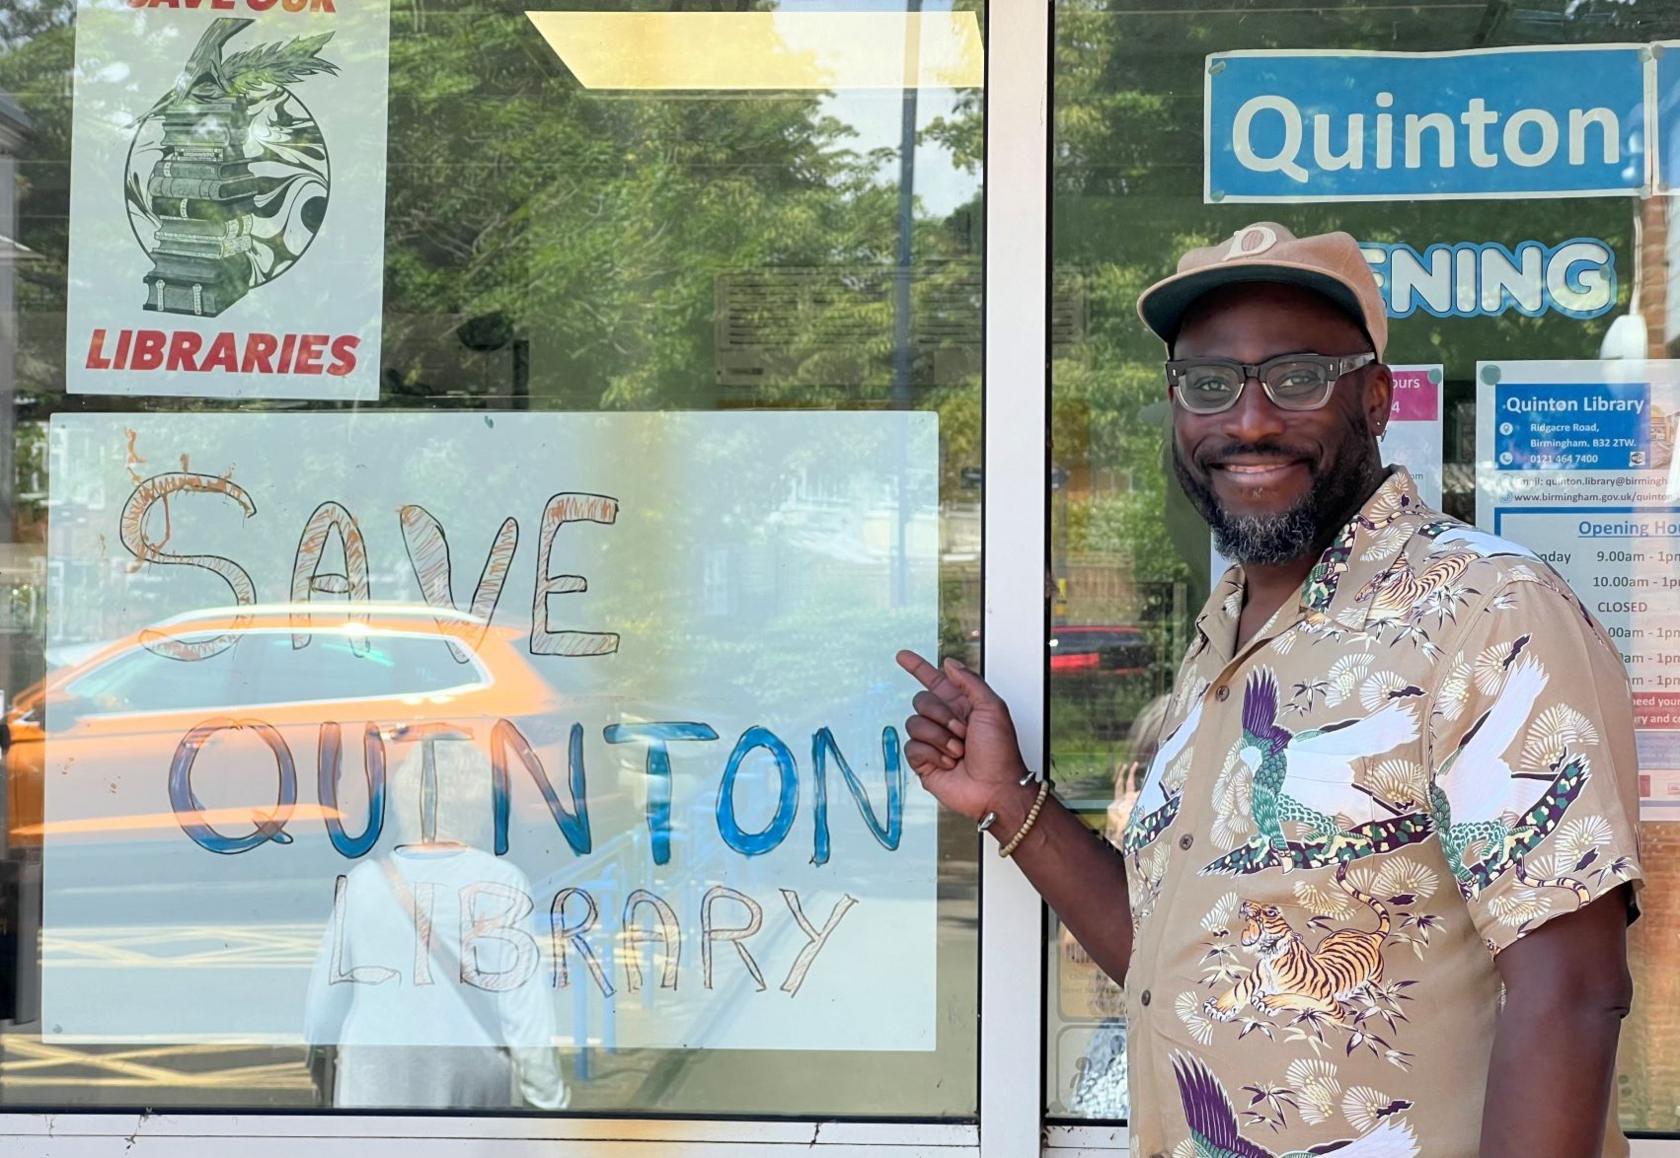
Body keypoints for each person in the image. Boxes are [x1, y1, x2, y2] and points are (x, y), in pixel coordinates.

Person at [899, 223, 1644, 1158]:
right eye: (1210, 385)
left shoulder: (1485, 611)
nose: (1248, 421)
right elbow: (1192, 960)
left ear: (1375, 398)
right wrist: (1011, 803)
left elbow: (1572, 992)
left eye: (1297, 379)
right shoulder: (1226, 639)